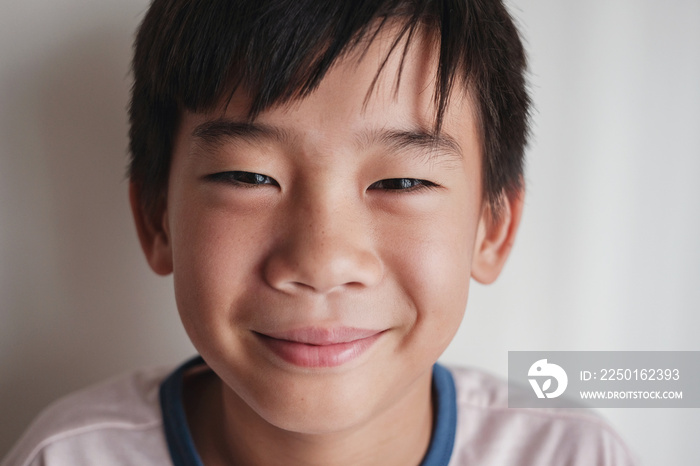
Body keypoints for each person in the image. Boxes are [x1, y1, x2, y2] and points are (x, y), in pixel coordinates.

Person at [2, 1, 637, 465]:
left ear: (492, 229)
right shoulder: (69, 456)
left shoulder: (571, 453)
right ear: (156, 220)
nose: (323, 261)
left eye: (402, 184)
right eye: (248, 176)